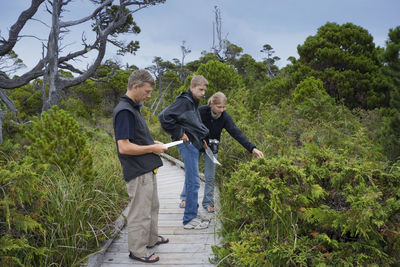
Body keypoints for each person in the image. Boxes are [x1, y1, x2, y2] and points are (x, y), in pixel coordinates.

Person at [113, 69, 169, 263]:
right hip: (137, 170)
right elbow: (124, 147)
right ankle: (137, 250)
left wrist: (152, 142)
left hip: (146, 167)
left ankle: (151, 239)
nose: (148, 95)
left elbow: (135, 137)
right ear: (135, 86)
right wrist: (152, 148)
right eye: (146, 91)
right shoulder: (124, 111)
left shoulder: (134, 108)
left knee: (153, 206)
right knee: (140, 212)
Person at [180, 92, 264, 213]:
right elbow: (187, 124)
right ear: (211, 104)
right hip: (196, 144)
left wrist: (252, 148)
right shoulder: (200, 111)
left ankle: (208, 202)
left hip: (211, 148)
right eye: (219, 107)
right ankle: (185, 198)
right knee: (192, 173)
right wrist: (196, 139)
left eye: (224, 107)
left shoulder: (224, 117)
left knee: (210, 176)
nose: (221, 110)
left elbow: (236, 133)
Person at [158, 75, 210, 229]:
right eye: (200, 89)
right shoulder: (184, 102)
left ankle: (192, 211)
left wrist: (201, 140)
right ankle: (189, 220)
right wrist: (179, 132)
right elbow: (164, 116)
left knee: (192, 180)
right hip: (187, 144)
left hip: (194, 143)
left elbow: (193, 124)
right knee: (194, 181)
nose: (202, 93)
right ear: (192, 86)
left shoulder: (192, 102)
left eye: (204, 91)